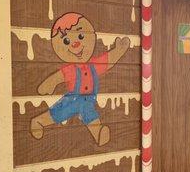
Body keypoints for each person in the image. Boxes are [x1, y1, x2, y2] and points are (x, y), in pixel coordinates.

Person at [30, 12, 130, 146]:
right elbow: (58, 77)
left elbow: (108, 60)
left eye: (81, 36)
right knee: (59, 112)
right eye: (66, 41)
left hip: (88, 101)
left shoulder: (95, 65)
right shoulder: (71, 69)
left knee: (91, 116)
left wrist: (119, 50)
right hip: (72, 99)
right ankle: (39, 121)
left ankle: (99, 134)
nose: (75, 44)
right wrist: (49, 84)